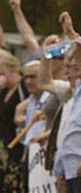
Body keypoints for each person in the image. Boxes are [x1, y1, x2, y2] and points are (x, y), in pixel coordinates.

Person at [0, 51, 30, 192]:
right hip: (5, 146)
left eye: (2, 72)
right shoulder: (4, 91)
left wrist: (20, 108)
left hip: (19, 143)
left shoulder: (24, 85)